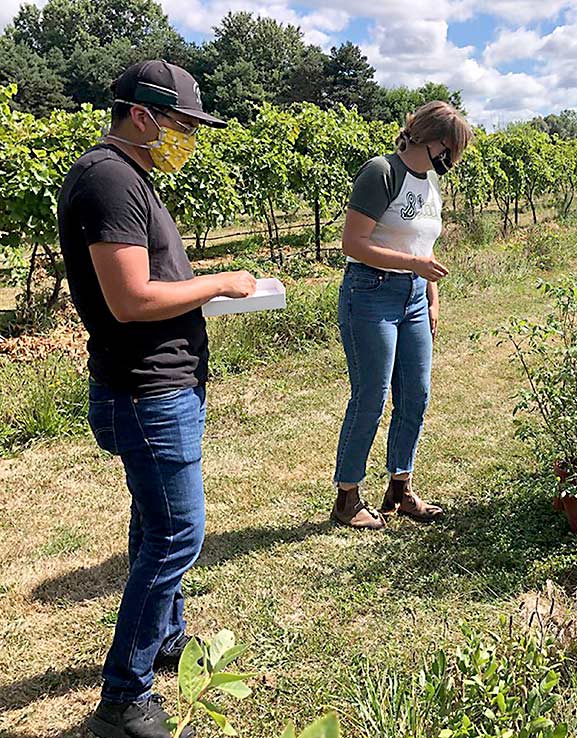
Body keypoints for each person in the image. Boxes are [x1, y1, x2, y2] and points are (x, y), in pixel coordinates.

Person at [58, 60, 256, 737]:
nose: (187, 137)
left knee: (153, 522)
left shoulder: (126, 176)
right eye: (181, 124)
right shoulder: (110, 178)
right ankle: (122, 696)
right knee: (177, 534)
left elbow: (148, 282)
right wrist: (219, 282)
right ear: (141, 114)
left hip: (154, 386)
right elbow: (131, 298)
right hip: (147, 392)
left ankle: (164, 636)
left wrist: (198, 286)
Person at [331, 101, 474, 530]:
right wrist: (413, 267)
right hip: (371, 294)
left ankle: (400, 487)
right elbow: (352, 244)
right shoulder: (381, 172)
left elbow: (422, 247)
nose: (454, 159)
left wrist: (430, 295)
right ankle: (347, 497)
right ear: (434, 141)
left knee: (416, 394)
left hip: (413, 297)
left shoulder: (431, 183)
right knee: (371, 396)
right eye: (453, 149)